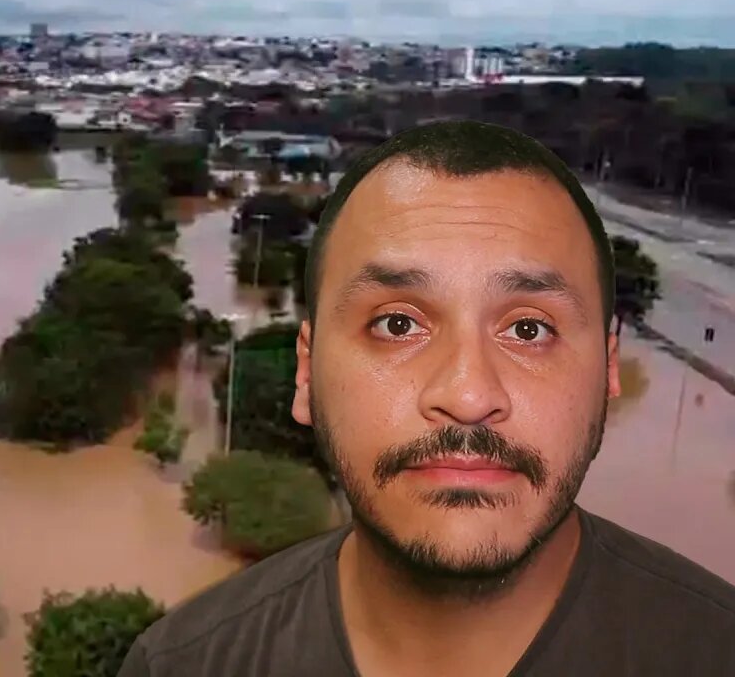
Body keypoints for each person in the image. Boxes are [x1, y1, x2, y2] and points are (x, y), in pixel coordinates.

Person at [118, 120, 735, 676]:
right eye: (396, 324)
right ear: (306, 374)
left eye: (528, 329)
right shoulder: (184, 663)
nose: (468, 396)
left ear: (607, 371)